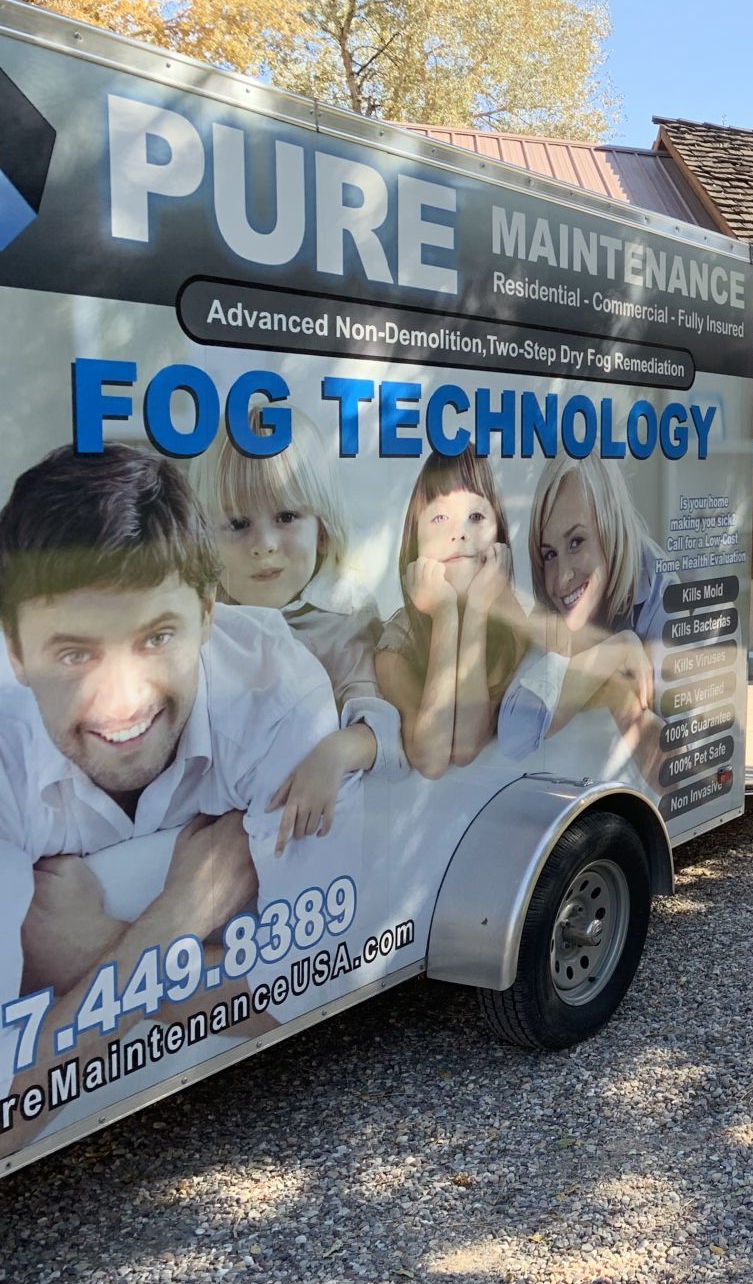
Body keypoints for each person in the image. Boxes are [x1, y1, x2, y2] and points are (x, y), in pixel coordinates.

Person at [0, 443, 346, 1145]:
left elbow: (315, 994)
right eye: (74, 655)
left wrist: (79, 952)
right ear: (14, 651)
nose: (122, 704)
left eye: (157, 637)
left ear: (209, 615)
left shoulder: (279, 698)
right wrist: (190, 908)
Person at [193, 409, 406, 853]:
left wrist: (334, 754)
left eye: (286, 516)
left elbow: (382, 730)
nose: (264, 544)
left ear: (322, 531)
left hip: (294, 826)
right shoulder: (204, 617)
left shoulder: (341, 615)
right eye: (237, 524)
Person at [497, 453, 664, 762]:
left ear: (610, 527)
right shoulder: (552, 614)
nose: (562, 579)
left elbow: (684, 763)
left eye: (576, 542)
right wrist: (615, 652)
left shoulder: (661, 593)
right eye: (549, 554)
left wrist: (612, 691)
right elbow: (515, 731)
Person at [373, 450, 524, 780]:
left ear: (499, 536)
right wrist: (445, 618)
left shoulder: (513, 617)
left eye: (475, 517)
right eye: (439, 518)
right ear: (415, 542)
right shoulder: (395, 645)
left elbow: (468, 744)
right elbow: (432, 759)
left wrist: (478, 610)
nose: (459, 535)